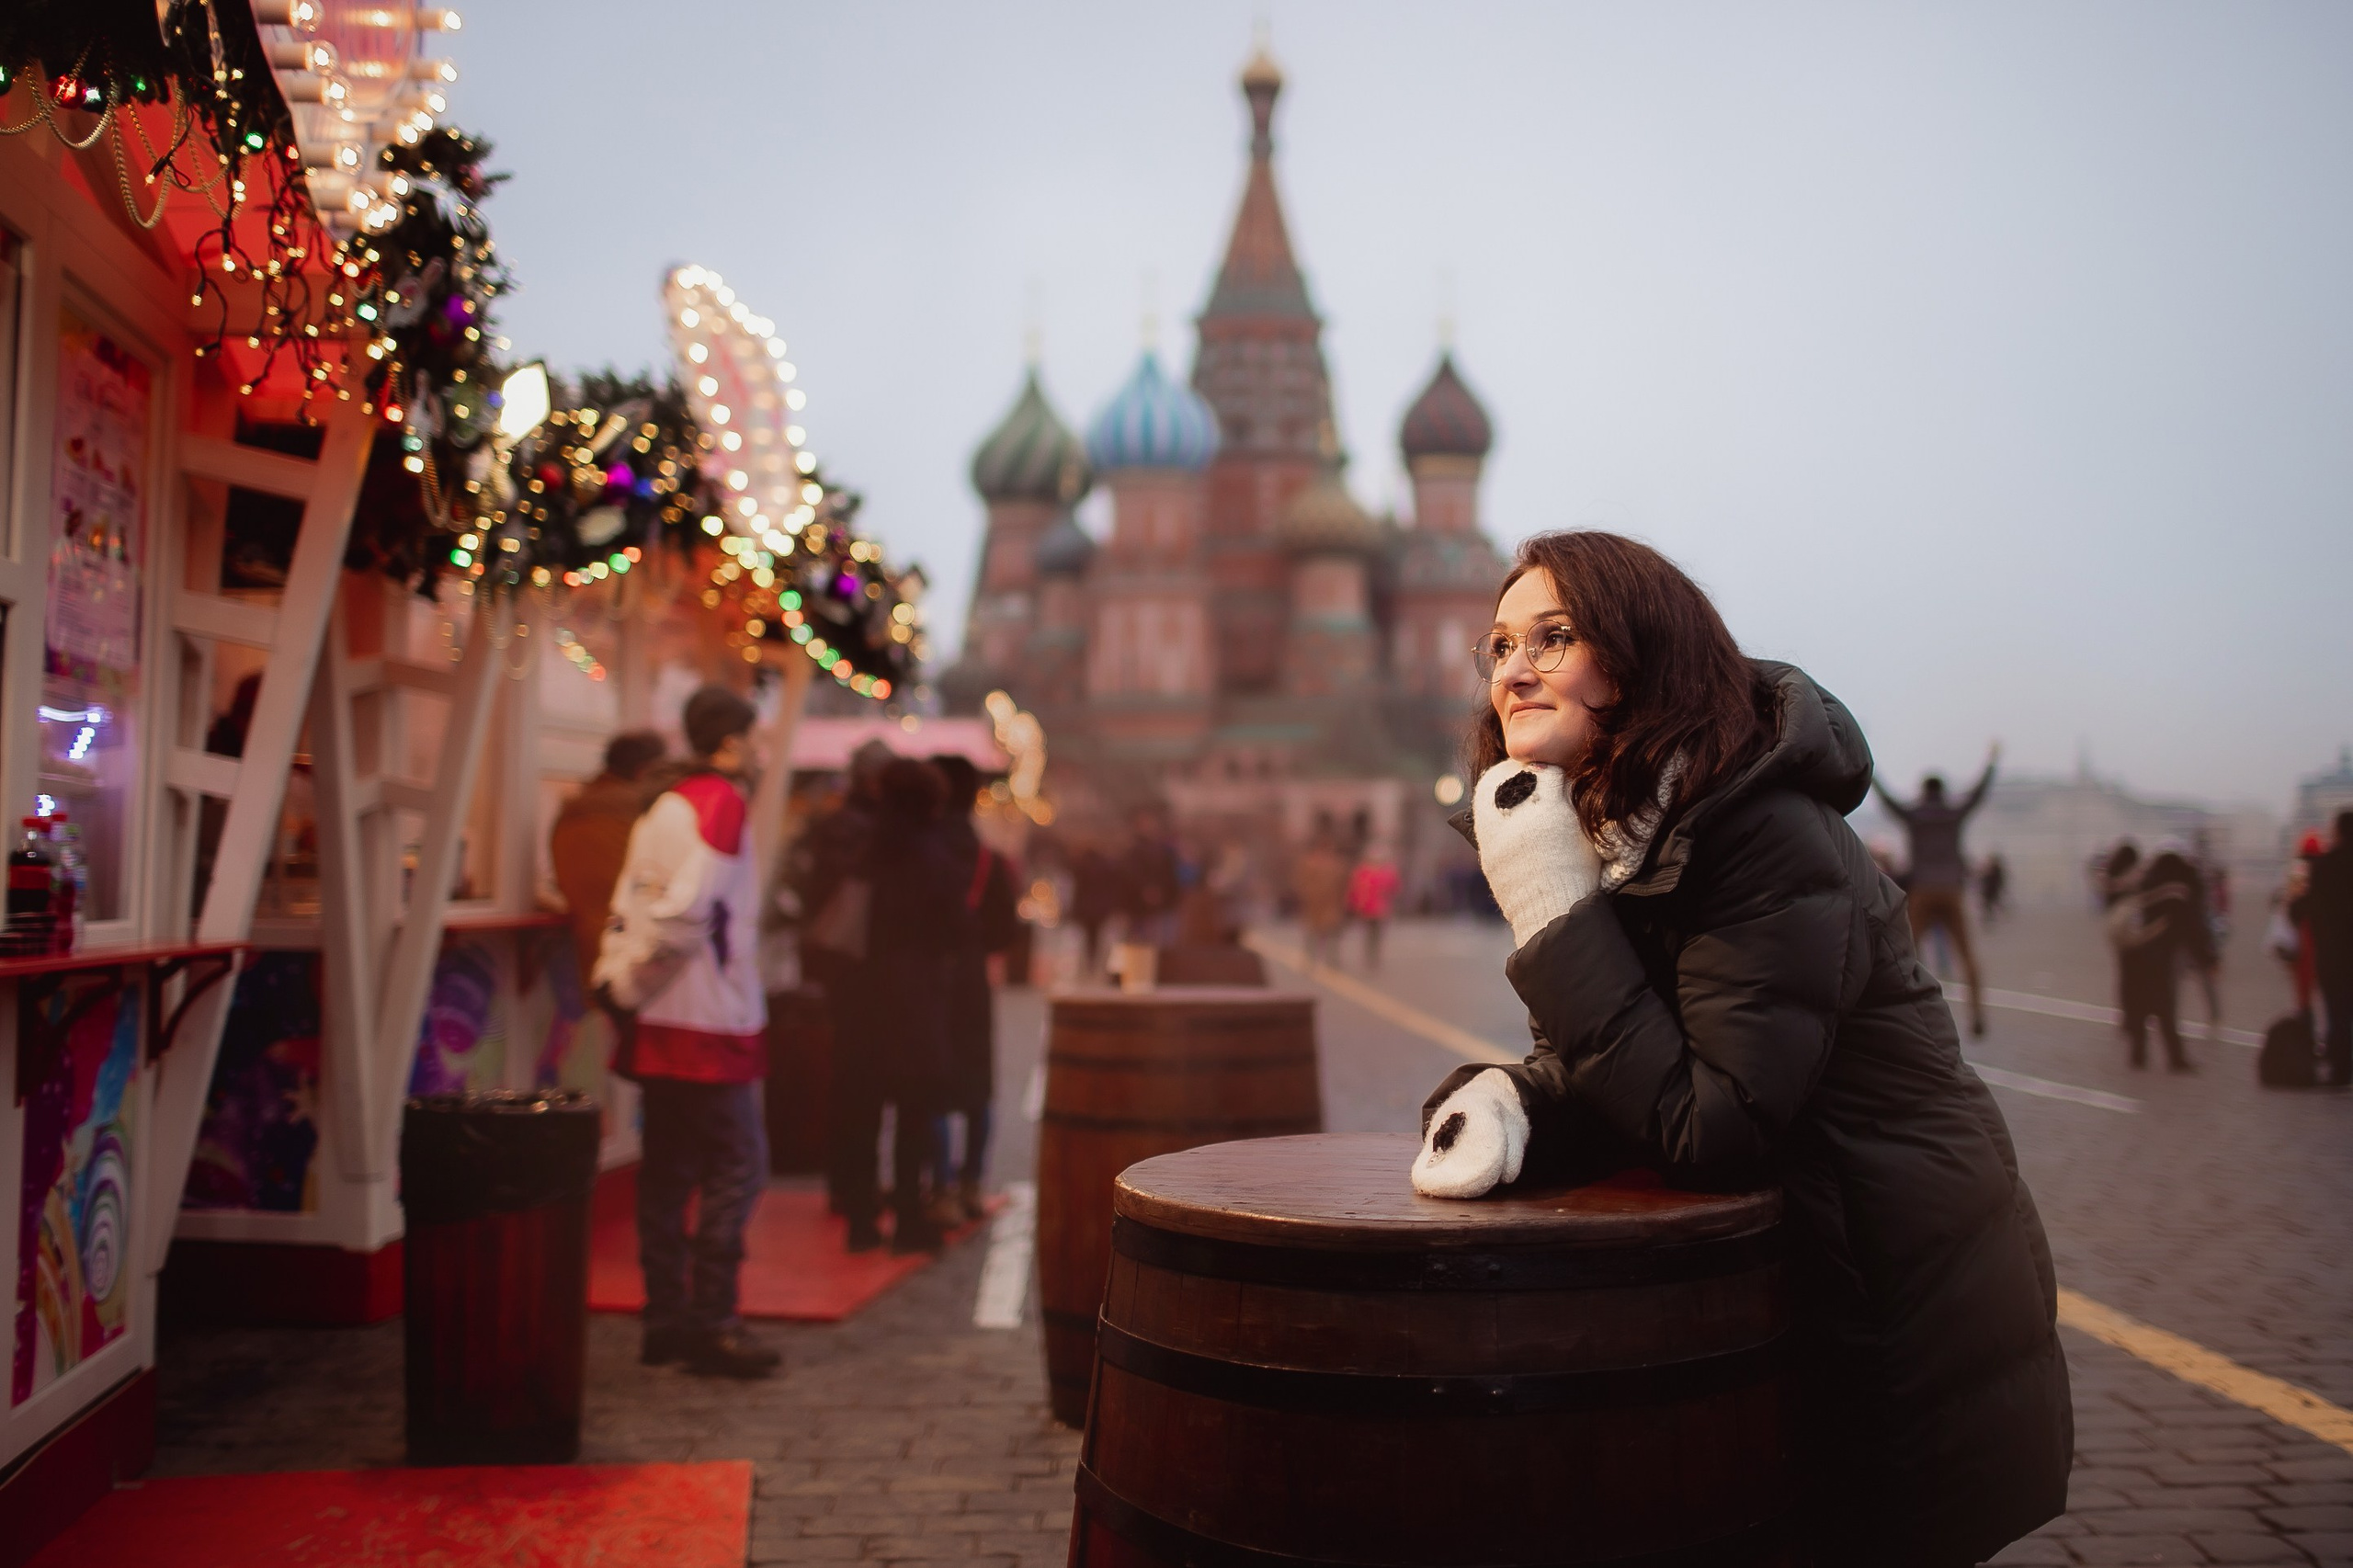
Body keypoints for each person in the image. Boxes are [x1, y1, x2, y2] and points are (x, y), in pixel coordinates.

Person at [1409, 531, 2069, 1567]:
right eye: (1498, 645)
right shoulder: (1621, 824)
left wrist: (1550, 909)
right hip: (1794, 1279)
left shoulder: (1761, 830)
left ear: (1632, 663)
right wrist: (1515, 1100)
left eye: (1555, 636)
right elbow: (1622, 1052)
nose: (1515, 668)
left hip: (1888, 1286)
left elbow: (1709, 1120)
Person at [594, 687, 783, 1380]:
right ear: (731, 741)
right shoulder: (719, 801)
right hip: (706, 1016)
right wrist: (637, 980)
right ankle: (713, 1321)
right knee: (738, 1166)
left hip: (666, 1016)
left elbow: (633, 906)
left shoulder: (662, 801)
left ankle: (667, 1317)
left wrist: (621, 983)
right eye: (753, 738)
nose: (759, 752)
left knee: (670, 1171)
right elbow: (684, 917)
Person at [842, 757, 971, 1251]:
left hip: (861, 997)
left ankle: (859, 1220)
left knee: (863, 1109)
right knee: (914, 1112)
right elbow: (958, 930)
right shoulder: (934, 856)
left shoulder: (865, 852)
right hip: (916, 998)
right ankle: (909, 1221)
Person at [928, 754, 1020, 1224]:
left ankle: (939, 1189)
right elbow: (1007, 928)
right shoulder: (989, 857)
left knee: (930, 1082)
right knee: (976, 1083)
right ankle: (971, 1185)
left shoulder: (924, 850)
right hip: (972, 977)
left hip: (927, 976)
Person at [1872, 747, 1998, 1037]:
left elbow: (1887, 800)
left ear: (1923, 791)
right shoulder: (1953, 814)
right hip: (1952, 888)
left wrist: (1873, 768)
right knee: (1966, 955)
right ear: (1943, 791)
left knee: (1910, 954)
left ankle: (1908, 1016)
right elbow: (1977, 794)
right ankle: (1977, 1014)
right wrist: (1991, 763)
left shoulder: (1916, 816)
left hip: (1922, 889)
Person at [551, 731, 667, 985]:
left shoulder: (572, 809)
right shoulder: (643, 810)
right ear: (643, 771)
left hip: (586, 947)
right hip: (636, 950)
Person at [2106, 846, 2205, 1072]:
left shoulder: (2140, 883)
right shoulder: (2177, 892)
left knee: (2139, 1005)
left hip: (2133, 954)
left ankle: (2138, 1055)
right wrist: (2205, 959)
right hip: (2159, 957)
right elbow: (2190, 930)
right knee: (2165, 1009)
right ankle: (2176, 1059)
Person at [2290, 811, 2353, 1085]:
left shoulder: (2324, 866)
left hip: (2333, 951)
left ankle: (2341, 1068)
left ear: (2338, 832)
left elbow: (2308, 908)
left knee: (2337, 1010)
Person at [1291, 829, 1350, 970]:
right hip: (1315, 903)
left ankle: (1329, 961)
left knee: (1330, 934)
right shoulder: (1310, 863)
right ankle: (1311, 960)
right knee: (1314, 933)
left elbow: (1345, 884)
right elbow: (1300, 882)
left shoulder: (1337, 864)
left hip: (1330, 904)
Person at [1346, 846, 1401, 970]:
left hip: (1379, 909)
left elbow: (1394, 888)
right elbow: (1354, 890)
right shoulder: (1363, 872)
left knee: (1375, 934)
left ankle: (1373, 957)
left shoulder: (1383, 873)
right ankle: (1371, 956)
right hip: (1368, 908)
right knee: (1371, 934)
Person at [1979, 851, 2008, 928]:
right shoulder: (1990, 870)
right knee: (1989, 904)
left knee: (1992, 904)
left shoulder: (1996, 870)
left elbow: (2000, 881)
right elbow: (1983, 881)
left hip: (1992, 890)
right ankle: (1989, 918)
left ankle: (1990, 918)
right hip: (1989, 890)